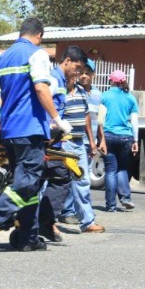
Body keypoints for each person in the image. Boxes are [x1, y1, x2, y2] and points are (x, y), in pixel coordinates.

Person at [0, 17, 73, 253]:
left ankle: (28, 236)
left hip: (10, 130)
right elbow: (40, 87)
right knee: (26, 183)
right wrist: (57, 118)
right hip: (31, 128)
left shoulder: (4, 57)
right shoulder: (38, 54)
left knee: (29, 185)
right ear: (40, 36)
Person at [52, 54, 104, 234]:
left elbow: (86, 117)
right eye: (77, 71)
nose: (79, 75)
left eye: (82, 72)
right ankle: (47, 221)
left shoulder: (82, 92)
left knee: (82, 182)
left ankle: (87, 221)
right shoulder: (59, 92)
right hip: (62, 144)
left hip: (79, 144)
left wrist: (91, 141)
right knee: (56, 183)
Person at [97, 70, 139, 212]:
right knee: (122, 168)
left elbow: (100, 121)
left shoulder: (105, 96)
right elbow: (134, 122)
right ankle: (126, 198)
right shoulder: (131, 98)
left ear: (111, 81)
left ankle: (111, 205)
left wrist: (100, 139)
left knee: (110, 170)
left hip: (108, 136)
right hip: (126, 137)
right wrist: (135, 141)